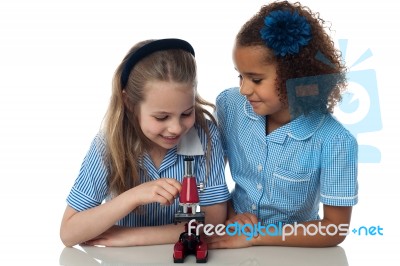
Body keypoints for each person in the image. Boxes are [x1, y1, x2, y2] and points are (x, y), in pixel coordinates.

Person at [208, 1, 358, 248]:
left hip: (295, 251)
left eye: (256, 79)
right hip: (231, 239)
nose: (244, 89)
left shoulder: (335, 141)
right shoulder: (229, 105)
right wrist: (233, 216)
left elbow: (335, 229)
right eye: (240, 75)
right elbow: (213, 177)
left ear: (295, 77)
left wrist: (254, 237)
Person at [60, 38, 230, 247]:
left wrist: (130, 236)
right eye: (161, 117)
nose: (176, 128)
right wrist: (133, 197)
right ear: (129, 103)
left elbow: (214, 221)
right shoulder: (109, 144)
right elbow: (69, 233)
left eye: (186, 112)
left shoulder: (205, 136)